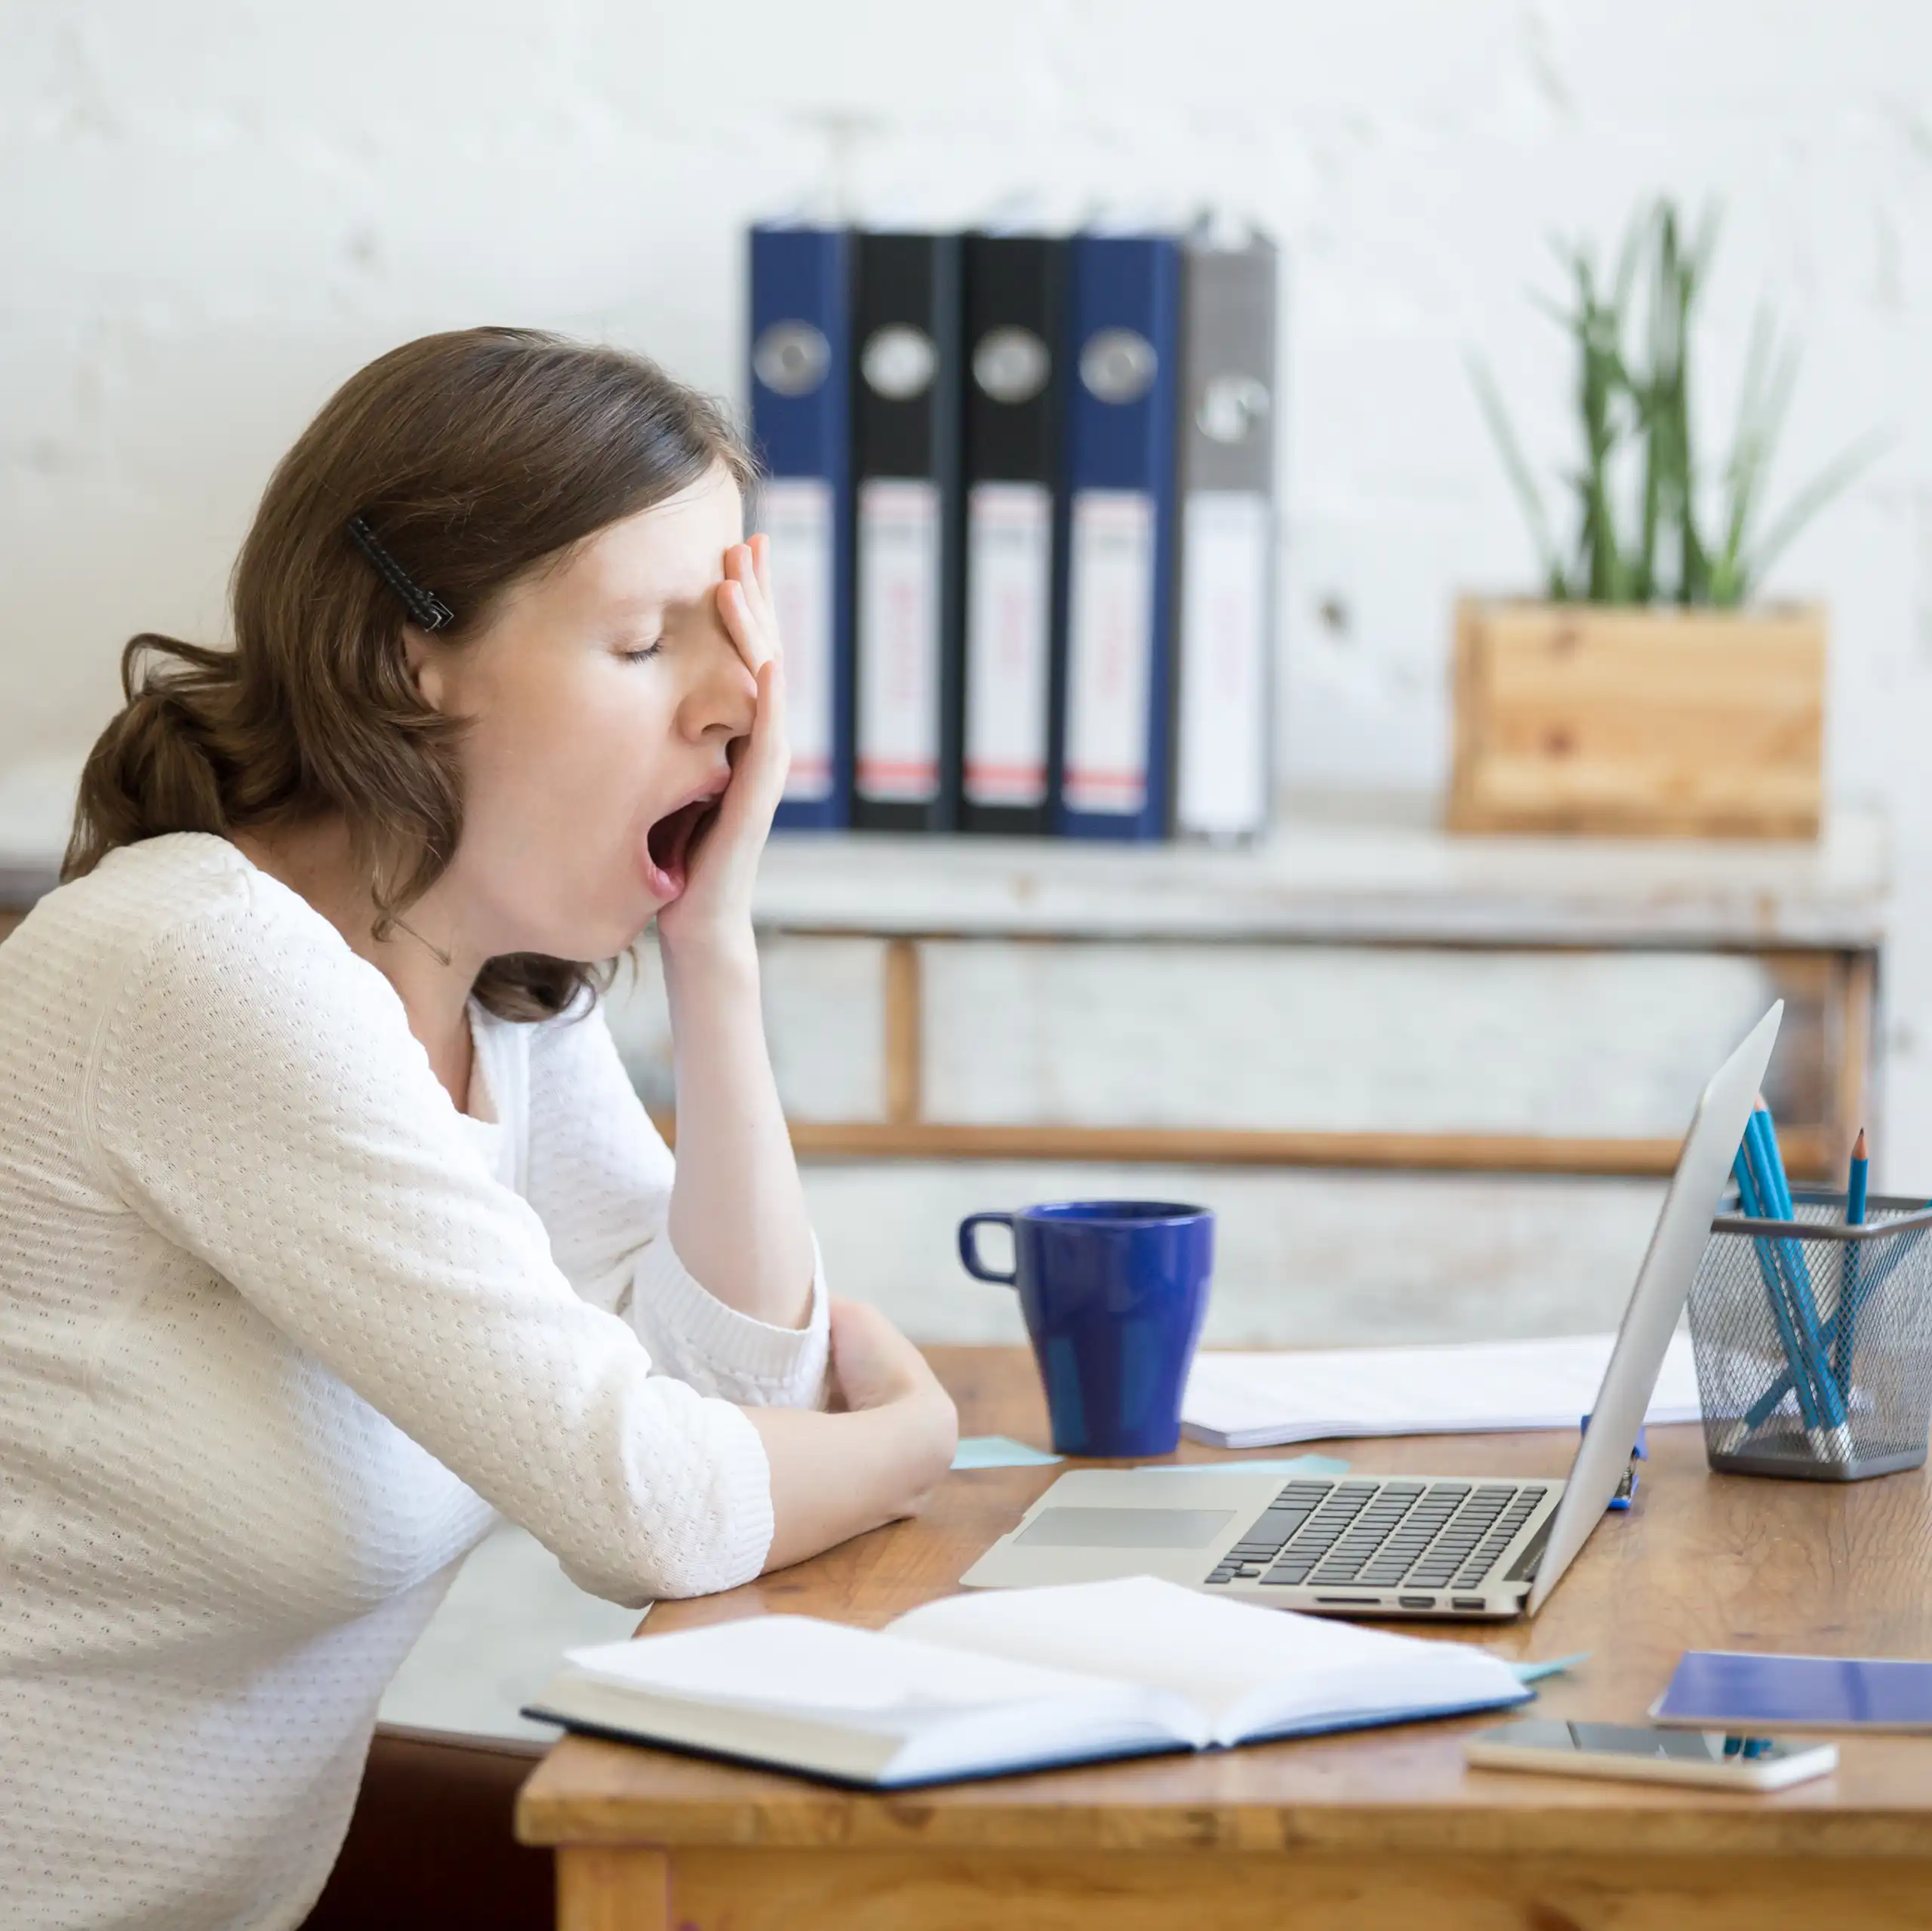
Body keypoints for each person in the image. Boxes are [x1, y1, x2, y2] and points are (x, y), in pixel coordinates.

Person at [0, 328, 958, 1931]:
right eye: (649, 641)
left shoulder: (495, 992)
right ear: (403, 653)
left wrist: (715, 947)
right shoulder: (202, 964)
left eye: (733, 641)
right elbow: (655, 1501)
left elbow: (727, 1399)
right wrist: (913, 1443)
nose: (736, 708)